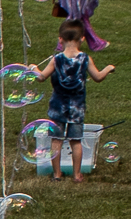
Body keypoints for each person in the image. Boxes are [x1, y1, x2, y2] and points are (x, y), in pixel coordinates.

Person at [29, 19, 115, 179]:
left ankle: (57, 174)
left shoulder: (56, 60)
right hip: (77, 109)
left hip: (57, 108)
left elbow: (41, 78)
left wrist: (34, 68)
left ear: (60, 39)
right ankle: (76, 175)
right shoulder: (85, 59)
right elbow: (97, 77)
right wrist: (108, 69)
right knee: (76, 142)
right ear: (82, 39)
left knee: (56, 141)